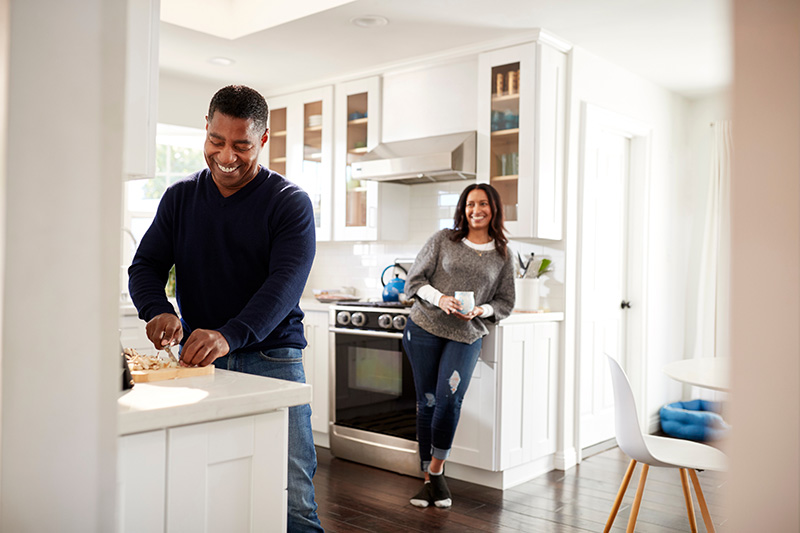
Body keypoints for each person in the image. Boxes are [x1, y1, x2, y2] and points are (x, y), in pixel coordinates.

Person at [128, 85, 323, 532]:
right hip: (199, 363)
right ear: (206, 130)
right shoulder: (179, 198)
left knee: (293, 498)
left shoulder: (289, 203)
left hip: (273, 359)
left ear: (264, 140)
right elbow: (146, 265)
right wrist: (156, 309)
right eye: (217, 141)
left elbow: (284, 287)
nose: (226, 155)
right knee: (213, 485)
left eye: (242, 145)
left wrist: (230, 334)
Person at [402, 183, 515, 508]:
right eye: (470, 204)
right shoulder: (443, 239)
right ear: (463, 209)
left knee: (449, 400)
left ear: (493, 208)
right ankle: (428, 481)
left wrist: (482, 309)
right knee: (427, 402)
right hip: (424, 326)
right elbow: (414, 281)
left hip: (467, 334)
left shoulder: (504, 253)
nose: (476, 210)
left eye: (482, 204)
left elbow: (506, 301)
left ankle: (436, 471)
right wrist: (442, 299)